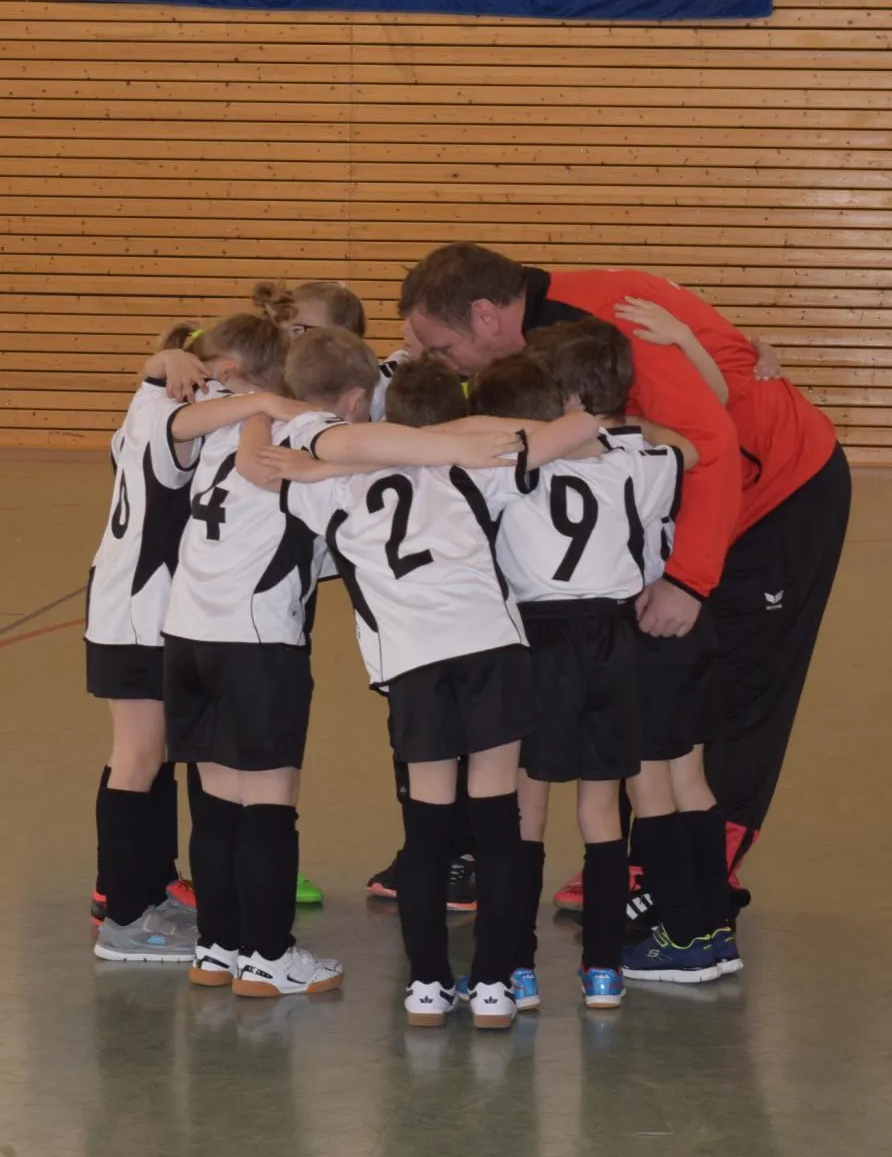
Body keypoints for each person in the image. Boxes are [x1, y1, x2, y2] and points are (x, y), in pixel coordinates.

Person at [402, 244, 853, 970]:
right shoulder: (558, 337)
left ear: (486, 315)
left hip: (778, 493)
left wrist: (689, 580)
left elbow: (709, 441)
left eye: (442, 348)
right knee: (654, 741)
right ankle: (661, 884)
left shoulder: (605, 323)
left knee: (725, 707)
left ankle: (698, 898)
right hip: (688, 502)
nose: (442, 363)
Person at [167, 322, 520, 999]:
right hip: (255, 639)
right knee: (269, 800)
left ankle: (217, 947)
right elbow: (339, 463)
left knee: (215, 799)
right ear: (355, 403)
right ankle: (267, 955)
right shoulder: (307, 444)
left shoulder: (226, 428)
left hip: (185, 632)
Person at [256, 346, 599, 1029]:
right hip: (491, 651)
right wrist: (458, 437)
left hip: (414, 664)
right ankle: (494, 984)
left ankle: (427, 985)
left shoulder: (329, 486)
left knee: (427, 831)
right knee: (497, 825)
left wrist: (327, 459)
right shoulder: (471, 467)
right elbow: (580, 429)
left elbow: (263, 468)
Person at [468, 347, 687, 1010]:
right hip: (610, 638)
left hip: (537, 639)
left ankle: (518, 968)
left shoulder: (504, 467)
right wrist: (609, 430)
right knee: (600, 810)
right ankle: (603, 969)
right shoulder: (632, 463)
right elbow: (686, 451)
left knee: (525, 810)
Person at [86, 319, 309, 965]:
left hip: (131, 601)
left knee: (149, 756)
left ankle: (147, 890)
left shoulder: (151, 398)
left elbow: (166, 381)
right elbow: (187, 418)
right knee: (136, 756)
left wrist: (165, 360)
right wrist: (265, 402)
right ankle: (124, 915)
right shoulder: (172, 413)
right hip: (139, 607)